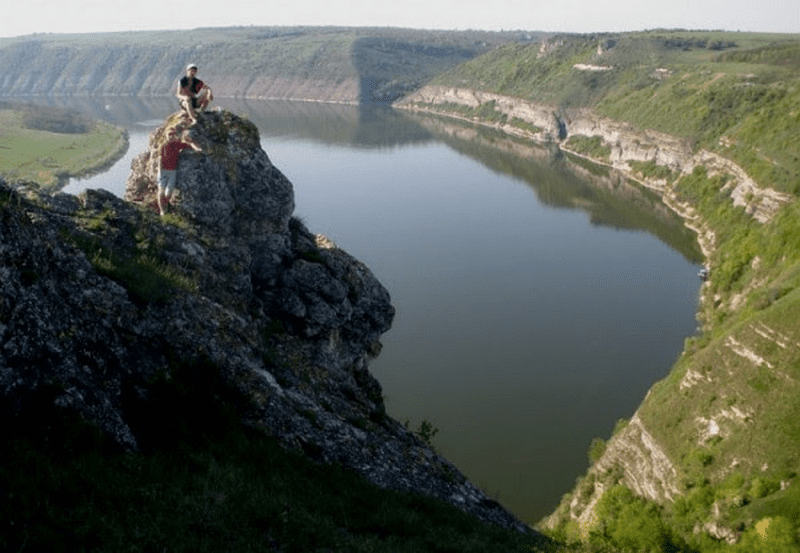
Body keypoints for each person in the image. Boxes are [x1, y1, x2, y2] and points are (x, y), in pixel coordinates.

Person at [157, 128, 202, 216]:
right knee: (161, 190)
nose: (171, 136)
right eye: (169, 135)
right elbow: (160, 159)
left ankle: (165, 205)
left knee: (169, 191)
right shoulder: (163, 145)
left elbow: (189, 145)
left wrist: (196, 148)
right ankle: (162, 211)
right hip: (163, 170)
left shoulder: (177, 145)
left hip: (172, 171)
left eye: (172, 135)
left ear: (174, 136)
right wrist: (159, 171)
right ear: (166, 136)